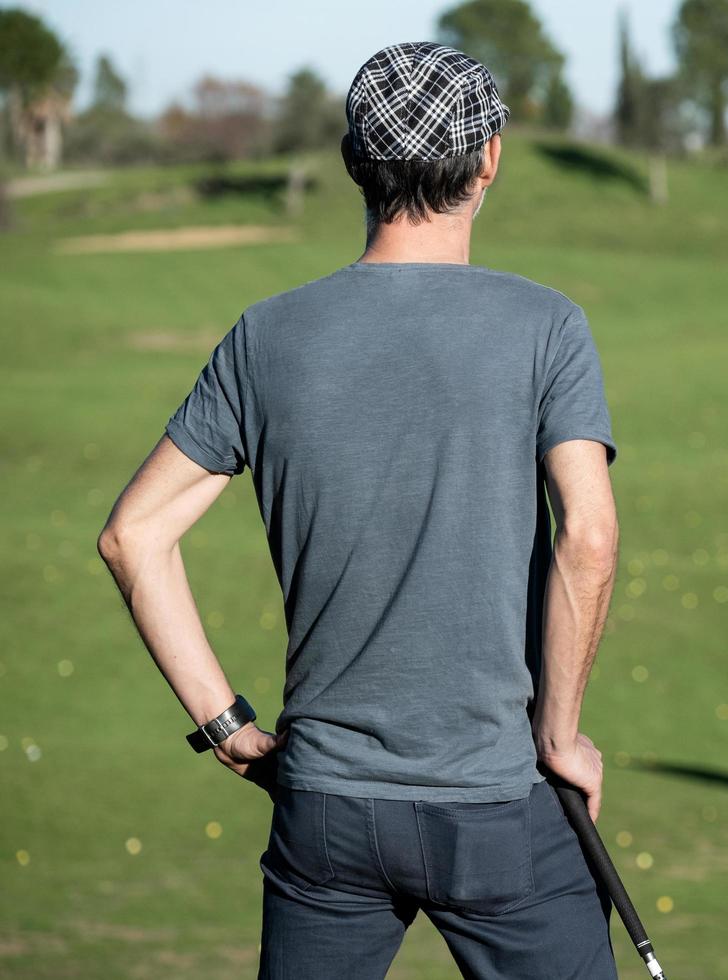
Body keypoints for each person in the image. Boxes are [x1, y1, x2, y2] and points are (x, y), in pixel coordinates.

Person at [96, 41, 621, 979]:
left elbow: (134, 536)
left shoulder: (266, 335)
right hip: (502, 807)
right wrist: (561, 737)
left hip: (324, 817)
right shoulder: (549, 326)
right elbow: (588, 533)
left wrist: (226, 726)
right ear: (490, 157)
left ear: (352, 161)